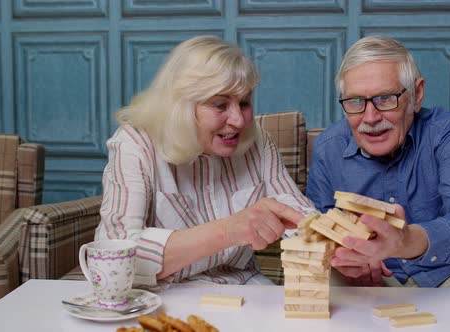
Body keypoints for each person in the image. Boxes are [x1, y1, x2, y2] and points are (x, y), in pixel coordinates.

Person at [95, 36, 314, 289]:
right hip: (164, 292)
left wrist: (343, 243)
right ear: (182, 107)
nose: (239, 121)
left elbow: (299, 215)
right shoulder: (135, 143)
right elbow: (116, 254)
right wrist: (228, 231)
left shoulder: (258, 141)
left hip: (246, 286)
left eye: (244, 103)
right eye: (220, 105)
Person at [306, 35, 450, 288]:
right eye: (355, 102)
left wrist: (405, 240)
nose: (370, 117)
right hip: (367, 282)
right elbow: (317, 231)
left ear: (417, 94)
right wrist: (343, 258)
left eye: (385, 98)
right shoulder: (327, 148)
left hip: (448, 276)